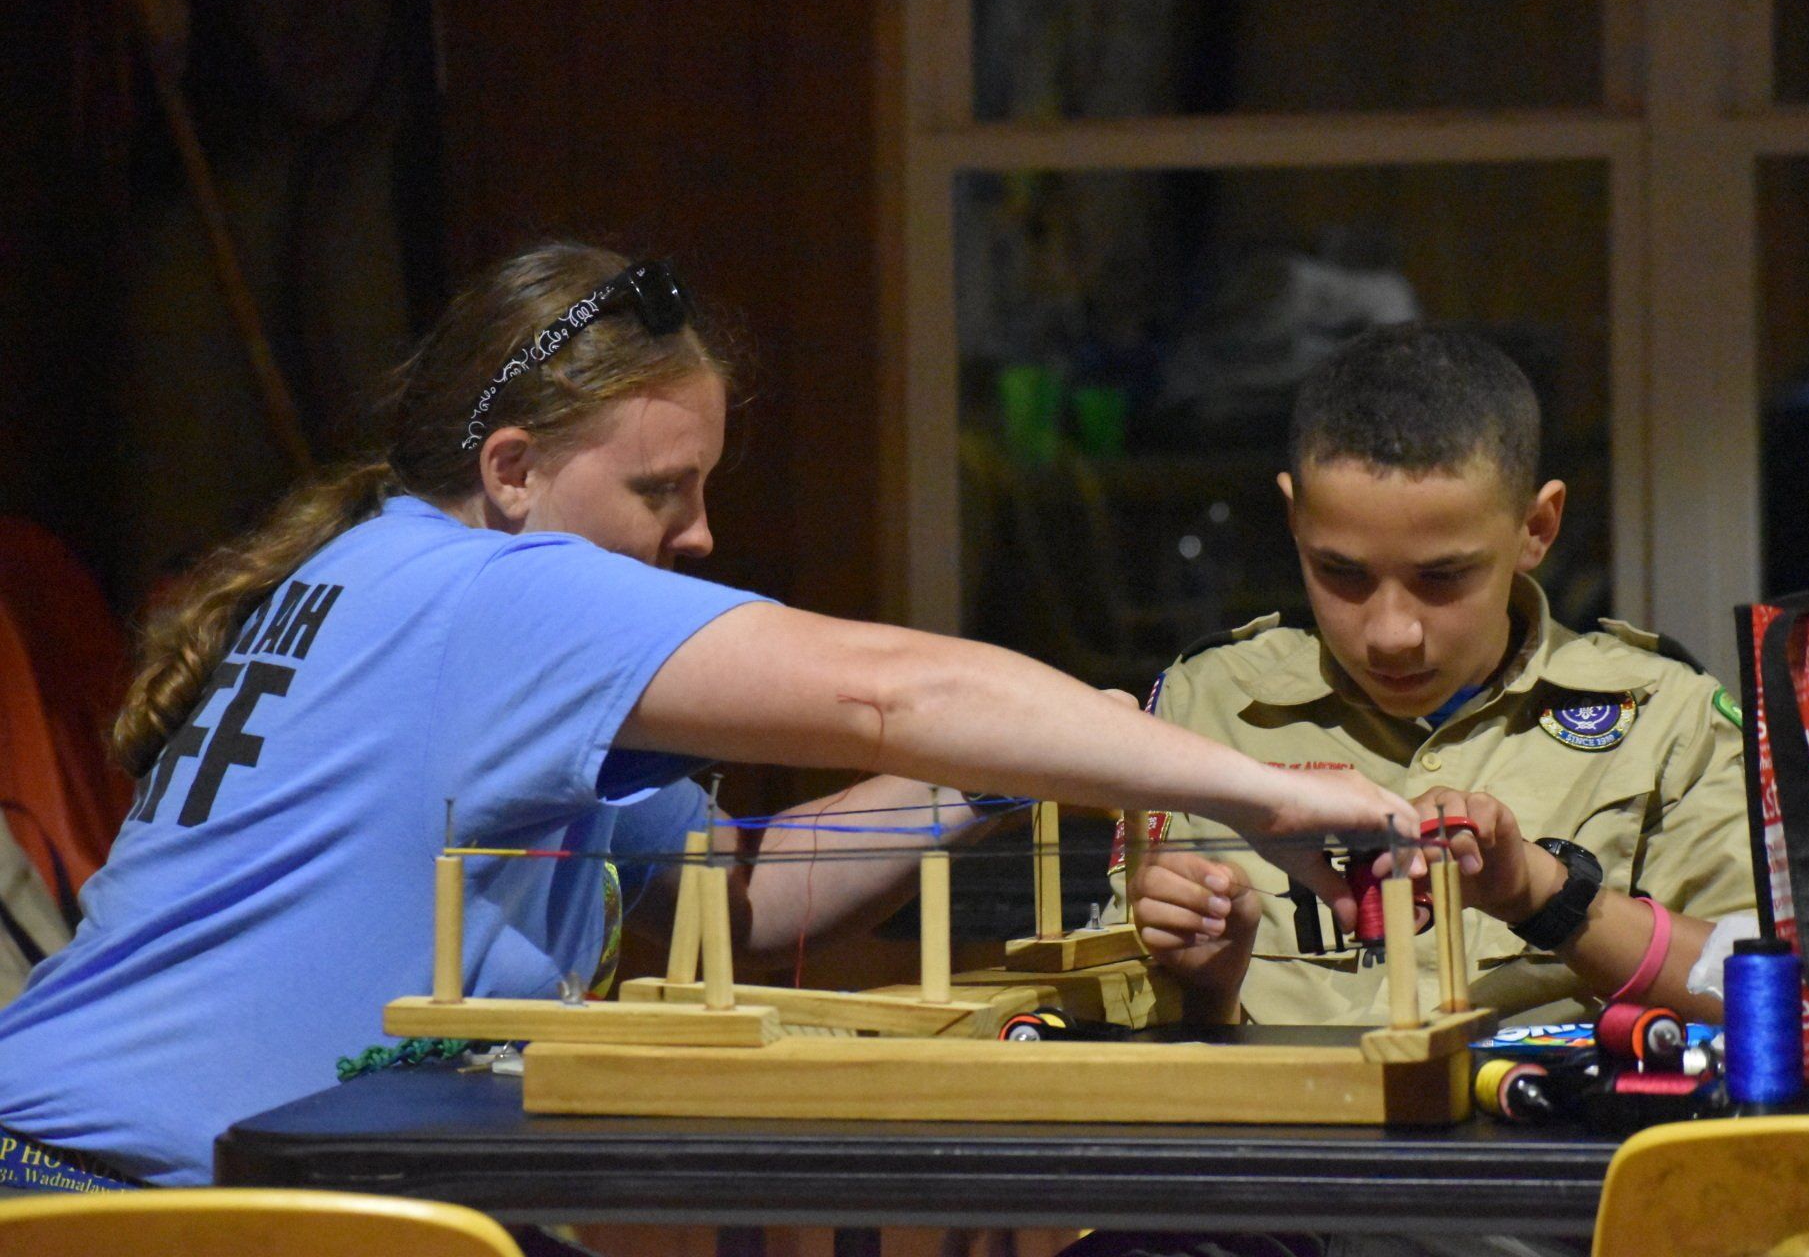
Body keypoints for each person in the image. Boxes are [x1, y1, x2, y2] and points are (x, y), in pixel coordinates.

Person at [0, 241, 1416, 1193]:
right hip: (119, 1193)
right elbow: (889, 691)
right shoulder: (497, 595)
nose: (696, 534)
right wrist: (1269, 798)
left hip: (166, 1171)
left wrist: (1018, 772)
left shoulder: (390, 574)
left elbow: (718, 900)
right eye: (661, 491)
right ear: (512, 470)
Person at [1117, 323, 1756, 1031]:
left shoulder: (1669, 719)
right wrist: (1209, 987)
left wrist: (1544, 897)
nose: (1392, 632)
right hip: (1276, 1135)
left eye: (1443, 577)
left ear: (1537, 529)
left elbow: (1772, 1001)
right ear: (1294, 519)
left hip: (1552, 1136)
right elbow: (1099, 1013)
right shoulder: (1205, 703)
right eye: (1341, 572)